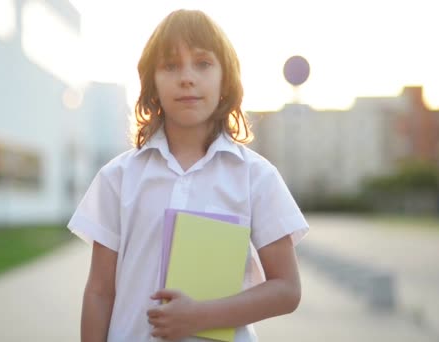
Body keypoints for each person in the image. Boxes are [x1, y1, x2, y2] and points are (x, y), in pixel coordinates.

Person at [67, 8, 309, 342]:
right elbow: (99, 292)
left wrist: (200, 317)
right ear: (152, 81)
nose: (187, 77)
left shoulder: (257, 177)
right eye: (170, 65)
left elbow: (287, 289)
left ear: (227, 79)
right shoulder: (117, 177)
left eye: (203, 63)